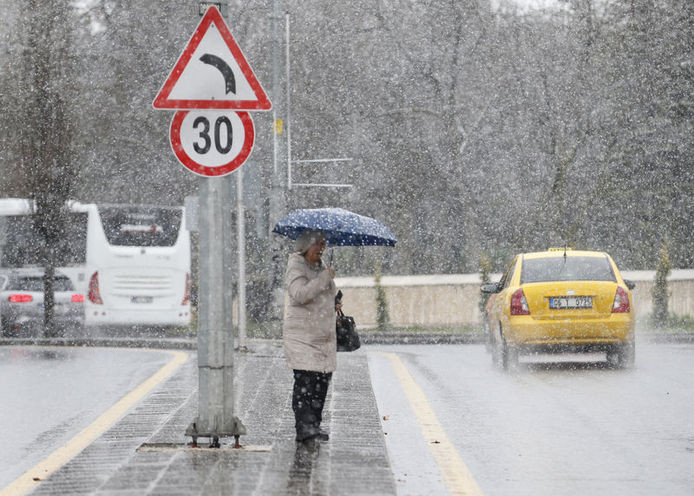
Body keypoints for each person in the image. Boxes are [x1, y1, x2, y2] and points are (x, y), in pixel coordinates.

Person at [283, 229, 337, 447]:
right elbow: (300, 294)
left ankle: (314, 423)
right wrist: (325, 278)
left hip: (322, 335)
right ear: (305, 245)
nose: (320, 248)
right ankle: (304, 427)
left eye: (323, 244)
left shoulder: (320, 265)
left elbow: (324, 292)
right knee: (306, 381)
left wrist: (335, 299)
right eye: (317, 244)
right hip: (302, 336)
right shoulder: (296, 265)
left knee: (321, 382)